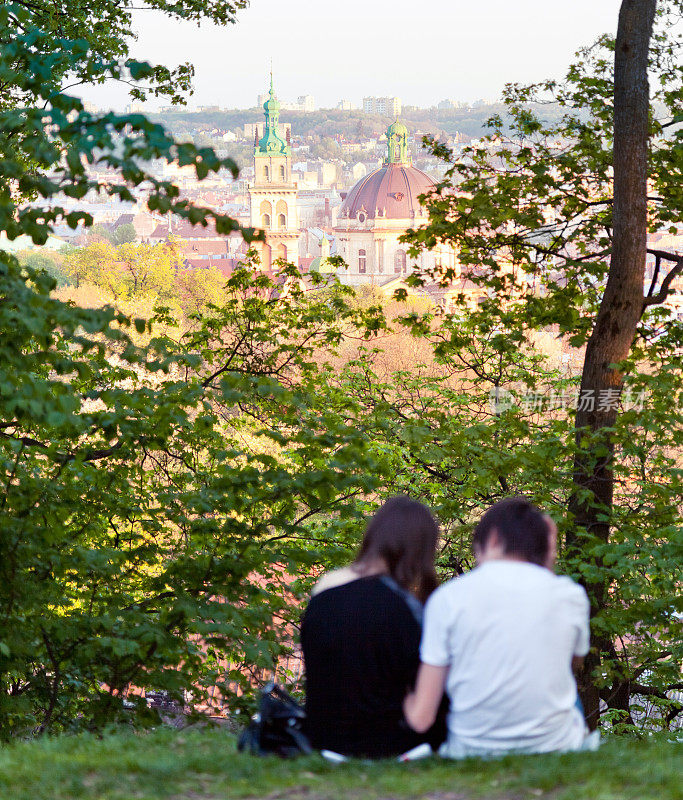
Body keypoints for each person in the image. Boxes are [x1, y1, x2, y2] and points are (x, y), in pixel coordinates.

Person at [403, 496, 591, 758]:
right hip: (554, 746)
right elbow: (572, 664)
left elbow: (422, 715)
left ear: (491, 540)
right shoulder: (570, 595)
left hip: (470, 750)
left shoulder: (448, 597)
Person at [300, 496, 446, 758]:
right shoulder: (402, 609)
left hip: (322, 738)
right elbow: (421, 710)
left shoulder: (322, 597)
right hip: (384, 743)